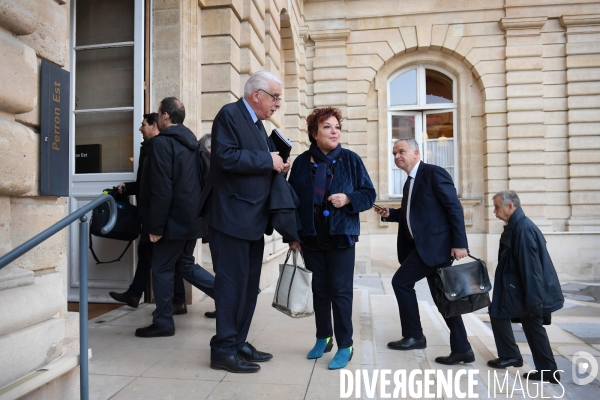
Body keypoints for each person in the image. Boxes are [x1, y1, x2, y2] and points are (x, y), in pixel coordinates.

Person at [199, 70, 289, 373]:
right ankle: (223, 350)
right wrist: (268, 160)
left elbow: (250, 161)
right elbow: (224, 157)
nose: (278, 103)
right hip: (230, 219)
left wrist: (277, 164)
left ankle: (236, 342)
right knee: (231, 287)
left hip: (251, 218)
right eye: (275, 97)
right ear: (257, 95)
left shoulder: (256, 124)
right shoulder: (230, 114)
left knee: (249, 288)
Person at [287, 107, 376, 370]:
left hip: (341, 237)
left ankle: (345, 345)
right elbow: (292, 201)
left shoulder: (350, 159)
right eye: (327, 126)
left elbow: (368, 194)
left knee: (340, 292)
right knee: (319, 290)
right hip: (311, 237)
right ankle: (323, 336)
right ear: (314, 133)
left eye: (337, 126)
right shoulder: (303, 162)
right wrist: (293, 236)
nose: (334, 131)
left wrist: (348, 199)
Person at [374, 138, 474, 365]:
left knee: (401, 282)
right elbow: (415, 215)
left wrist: (460, 244)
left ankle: (414, 335)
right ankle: (462, 349)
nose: (397, 156)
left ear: (416, 153)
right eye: (394, 153)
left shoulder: (433, 173)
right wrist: (391, 214)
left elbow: (454, 208)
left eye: (401, 151)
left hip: (434, 248)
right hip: (423, 248)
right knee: (444, 298)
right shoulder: (410, 181)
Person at [134, 97, 216, 338]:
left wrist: (155, 226)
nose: (158, 117)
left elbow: (162, 189)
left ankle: (163, 322)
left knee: (160, 268)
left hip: (171, 222)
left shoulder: (161, 144)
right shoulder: (195, 143)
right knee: (184, 264)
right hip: (193, 221)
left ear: (166, 116)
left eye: (159, 113)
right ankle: (230, 297)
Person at [109, 113, 187, 315]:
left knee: (167, 262)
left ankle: (166, 305)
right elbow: (147, 184)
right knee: (154, 257)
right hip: (158, 216)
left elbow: (159, 188)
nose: (140, 128)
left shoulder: (157, 148)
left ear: (154, 126)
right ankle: (142, 296)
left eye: (143, 125)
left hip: (158, 216)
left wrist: (155, 225)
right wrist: (126, 188)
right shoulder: (152, 148)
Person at [487, 190, 564, 384]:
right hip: (516, 286)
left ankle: (544, 369)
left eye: (497, 207)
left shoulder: (522, 229)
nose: (494, 211)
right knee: (499, 313)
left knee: (531, 323)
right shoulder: (517, 226)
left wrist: (534, 301)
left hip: (524, 289)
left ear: (510, 206)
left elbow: (532, 270)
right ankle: (516, 357)